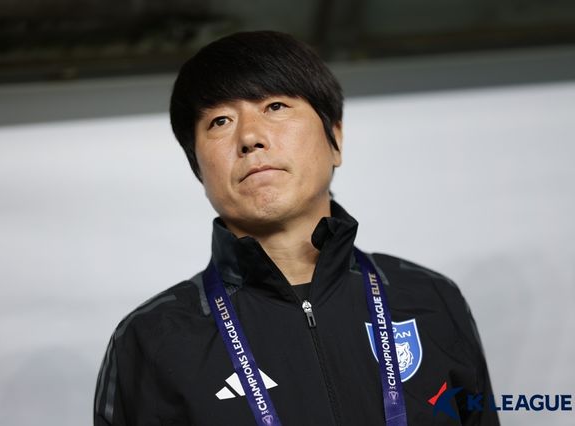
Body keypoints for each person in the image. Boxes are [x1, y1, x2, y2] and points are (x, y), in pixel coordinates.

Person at [94, 31, 498, 425]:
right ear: (198, 168)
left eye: (275, 106)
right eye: (220, 121)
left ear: (335, 138)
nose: (250, 137)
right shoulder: (151, 341)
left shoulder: (430, 299)